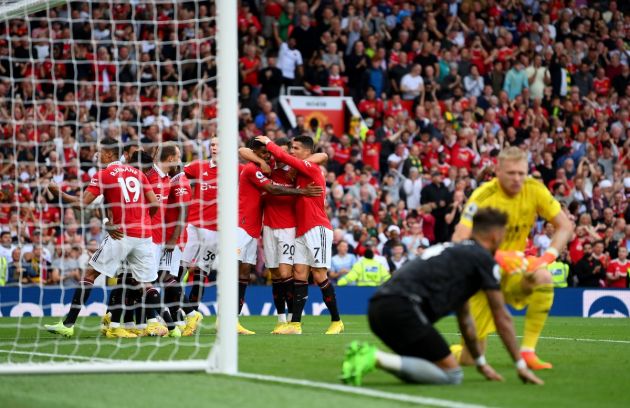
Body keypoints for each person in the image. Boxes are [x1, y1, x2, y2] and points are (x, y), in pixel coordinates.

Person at [341, 208, 543, 386]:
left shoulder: (455, 252)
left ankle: (368, 357)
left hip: (378, 308)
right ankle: (374, 357)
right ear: (495, 234)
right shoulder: (482, 259)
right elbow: (501, 315)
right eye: (504, 233)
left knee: (430, 364)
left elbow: (465, 320)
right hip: (402, 308)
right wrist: (520, 364)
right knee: (452, 375)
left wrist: (481, 363)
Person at [452, 147, 573, 370]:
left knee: (543, 276)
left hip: (514, 270)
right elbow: (460, 237)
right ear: (497, 171)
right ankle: (448, 351)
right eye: (511, 173)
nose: (517, 178)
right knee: (470, 358)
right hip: (482, 275)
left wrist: (545, 258)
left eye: (521, 173)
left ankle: (527, 351)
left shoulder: (534, 190)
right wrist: (496, 255)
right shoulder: (483, 195)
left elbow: (565, 226)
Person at [44, 137, 161, 338]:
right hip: (143, 235)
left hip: (121, 234)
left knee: (90, 275)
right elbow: (155, 204)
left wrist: (58, 193)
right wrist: (142, 222)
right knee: (146, 283)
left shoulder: (104, 174)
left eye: (100, 152)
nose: (98, 155)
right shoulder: (139, 174)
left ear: (109, 154)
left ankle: (68, 324)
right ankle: (156, 324)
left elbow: (82, 204)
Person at [256, 135, 344, 335]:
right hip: (301, 230)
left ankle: (336, 321)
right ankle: (295, 325)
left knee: (320, 274)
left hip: (317, 228)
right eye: (291, 147)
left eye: (296, 148)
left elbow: (313, 157)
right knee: (299, 275)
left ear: (307, 152)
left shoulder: (310, 168)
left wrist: (268, 142)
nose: (292, 151)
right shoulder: (298, 173)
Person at [239, 137, 328, 333]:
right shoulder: (268, 167)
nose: (275, 156)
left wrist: (301, 166)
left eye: (282, 152)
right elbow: (243, 150)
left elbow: (323, 155)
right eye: (273, 152)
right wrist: (262, 161)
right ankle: (281, 320)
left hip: (289, 228)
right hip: (269, 227)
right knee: (276, 275)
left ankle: (292, 319)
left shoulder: (295, 171)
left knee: (287, 273)